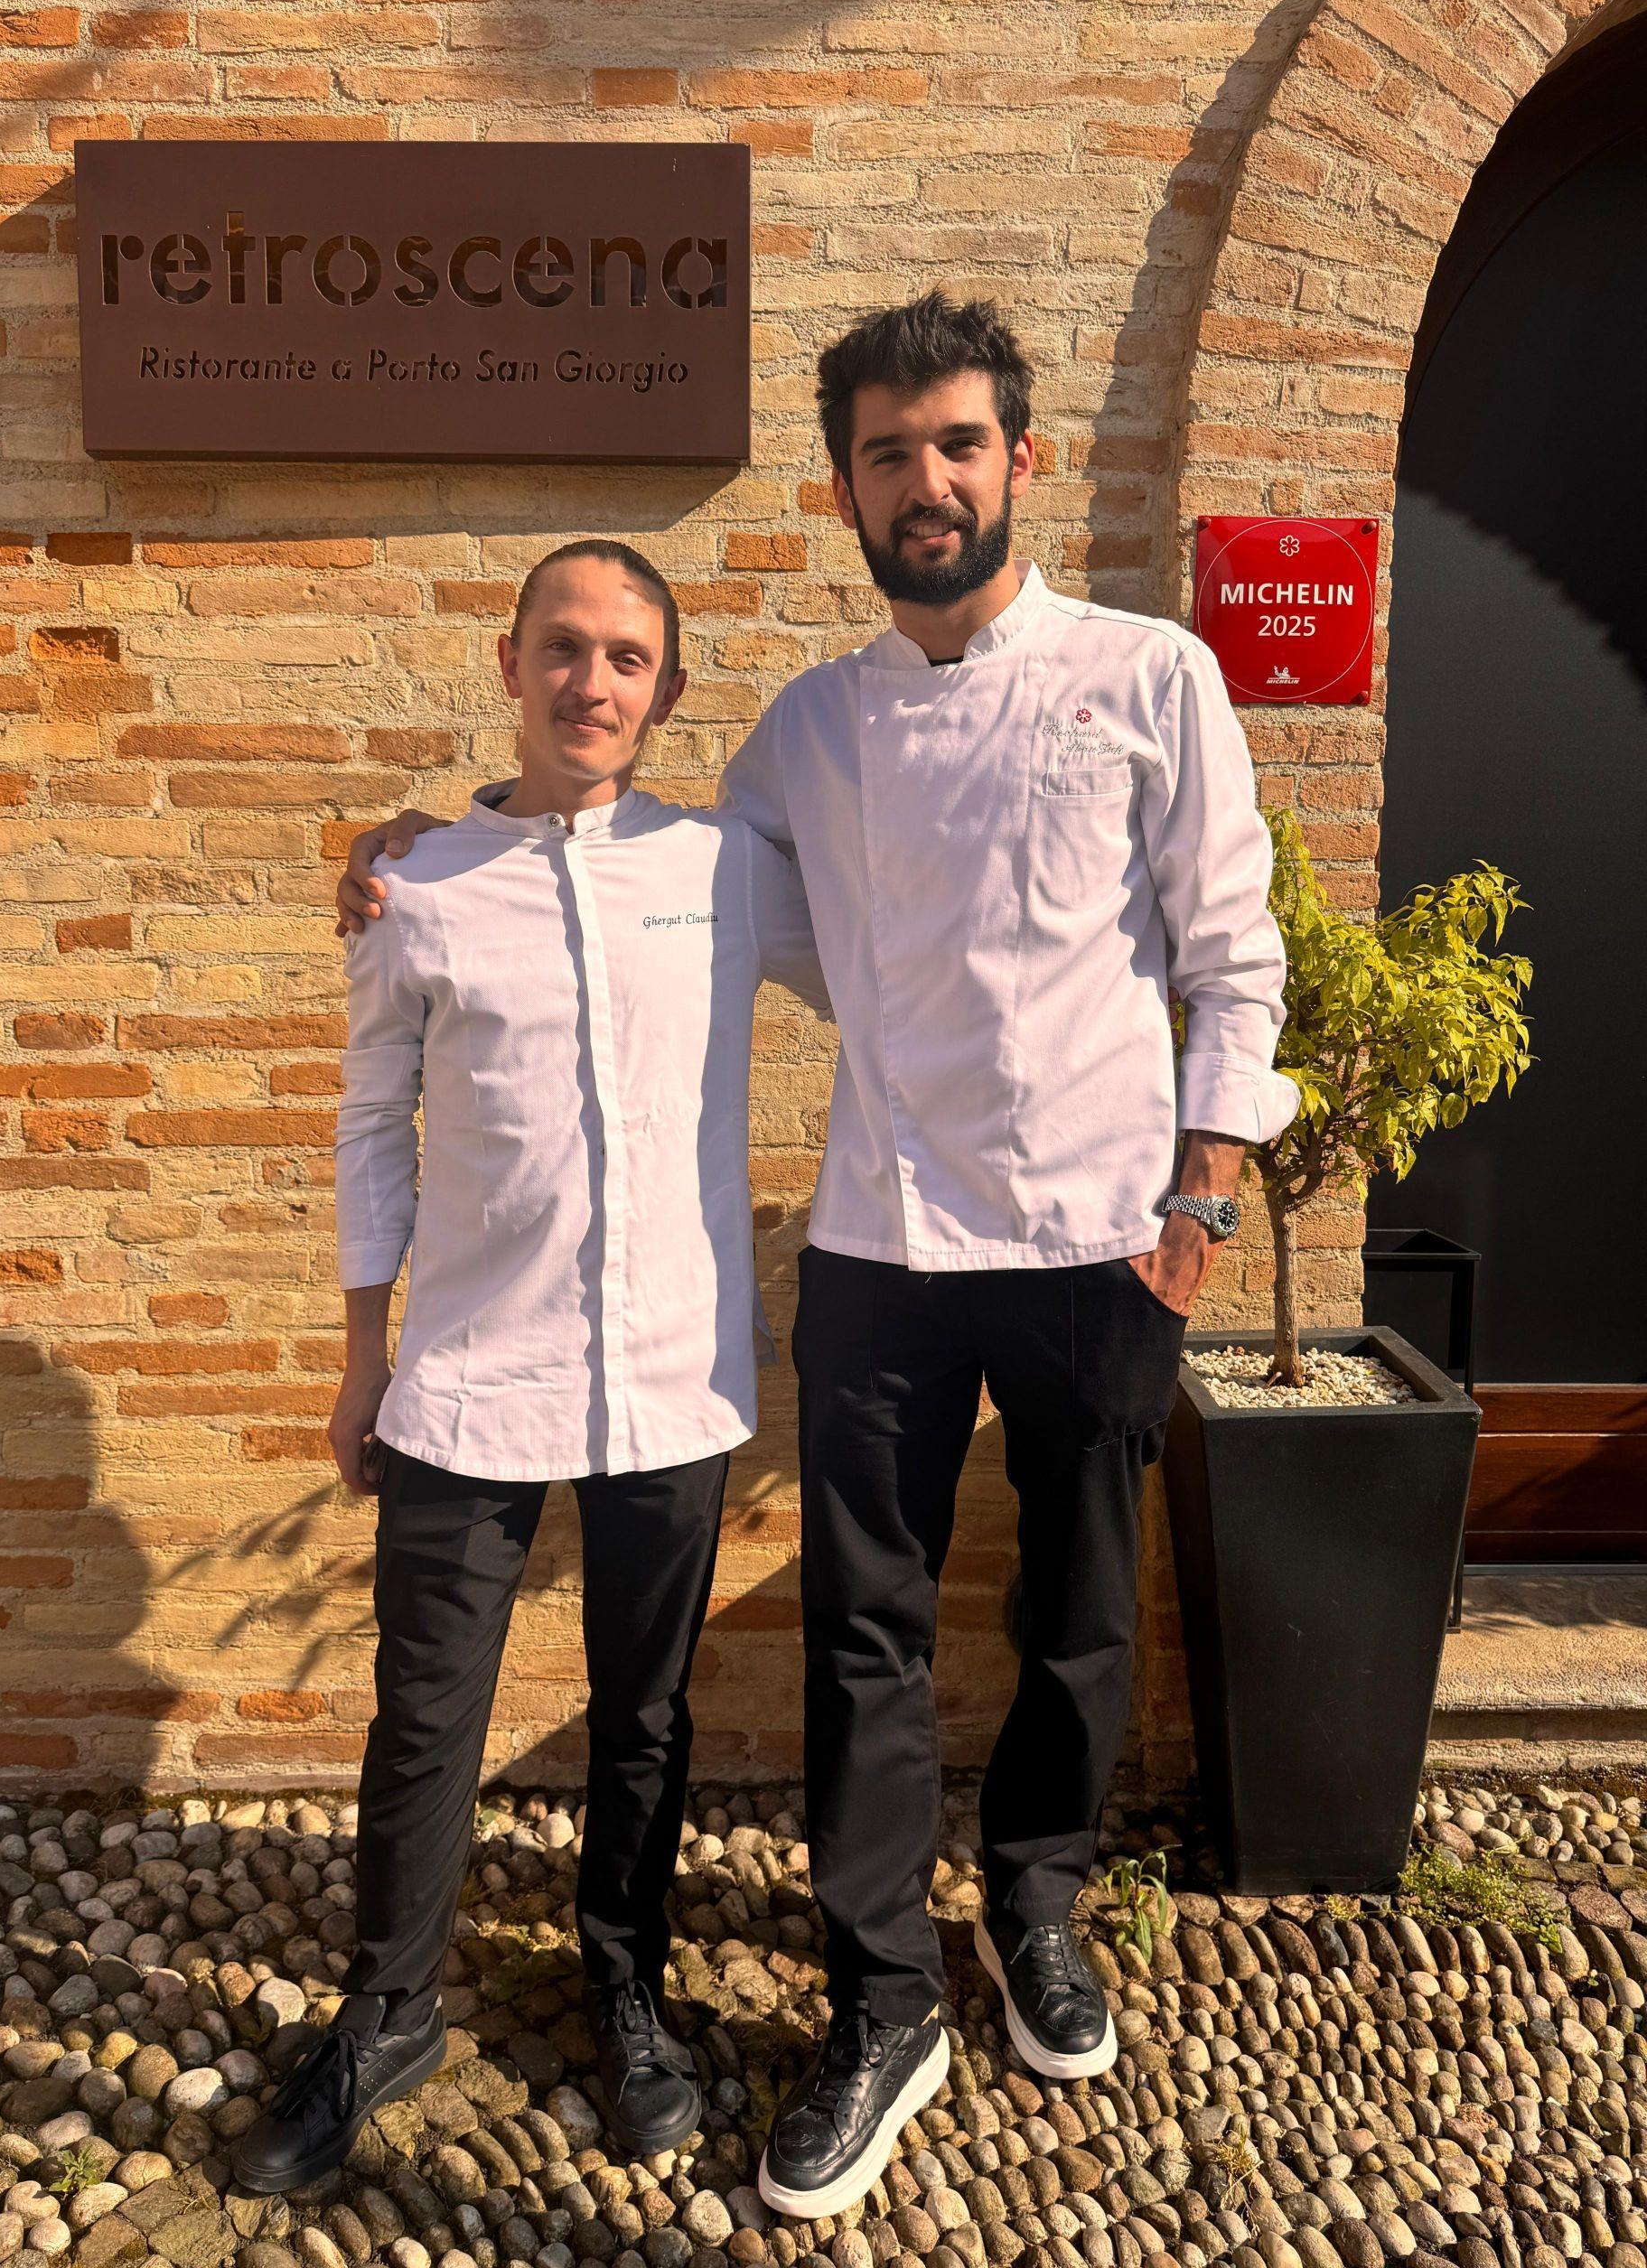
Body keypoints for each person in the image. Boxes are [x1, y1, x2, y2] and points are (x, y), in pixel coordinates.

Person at [333, 293, 1301, 2218]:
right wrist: (434, 844)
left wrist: (1203, 1193)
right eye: (885, 453)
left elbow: (1233, 947)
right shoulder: (807, 734)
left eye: (956, 443)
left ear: (1018, 459)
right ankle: (881, 1993)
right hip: (884, 1240)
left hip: (1108, 1235)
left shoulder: (1153, 675)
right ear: (844, 488)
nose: (924, 480)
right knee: (868, 1632)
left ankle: (1035, 1901)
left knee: (1081, 1610)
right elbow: (635, 867)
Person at [231, 540, 828, 2196]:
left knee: (644, 1713)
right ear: (509, 664)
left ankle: (626, 1985)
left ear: (668, 690)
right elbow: (372, 1125)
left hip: (669, 1372)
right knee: (425, 1716)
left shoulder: (727, 867)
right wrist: (363, 1358)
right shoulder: (417, 885)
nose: (592, 682)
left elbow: (898, 964)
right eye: (563, 647)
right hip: (466, 1374)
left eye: (628, 657)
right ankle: (388, 2014)